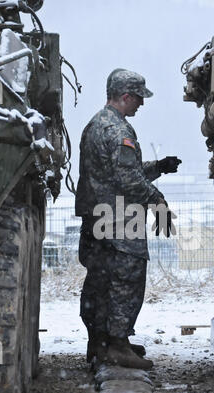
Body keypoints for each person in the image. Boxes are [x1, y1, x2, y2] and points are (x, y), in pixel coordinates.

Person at [75, 68, 181, 370]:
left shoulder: (96, 124)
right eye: (138, 98)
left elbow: (113, 173)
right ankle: (117, 345)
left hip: (97, 216)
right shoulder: (119, 131)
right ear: (125, 96)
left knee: (99, 281)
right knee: (126, 279)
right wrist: (157, 200)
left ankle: (100, 341)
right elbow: (127, 180)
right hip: (120, 218)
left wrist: (158, 167)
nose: (141, 104)